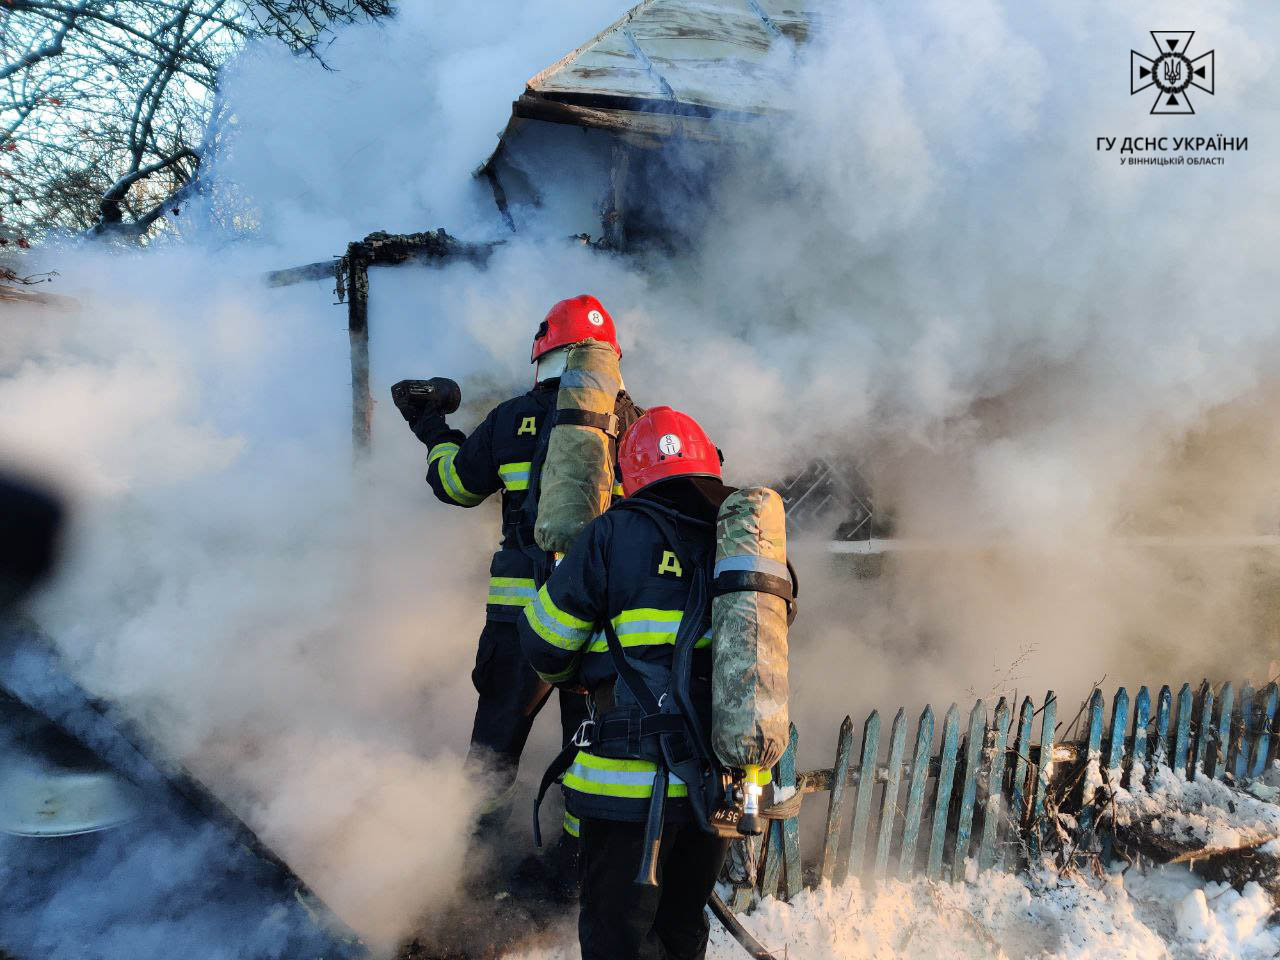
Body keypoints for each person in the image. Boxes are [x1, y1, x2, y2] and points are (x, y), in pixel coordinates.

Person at [392, 295, 642, 846]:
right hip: (598, 627)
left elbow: (454, 486)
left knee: (494, 751)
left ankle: (475, 870)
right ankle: (577, 866)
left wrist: (431, 427)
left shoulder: (511, 419)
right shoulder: (635, 424)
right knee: (592, 749)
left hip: (521, 622)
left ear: (544, 353)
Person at [517, 406, 735, 960]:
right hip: (715, 785)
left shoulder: (610, 533)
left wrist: (577, 672)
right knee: (682, 930)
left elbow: (544, 642)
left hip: (626, 791)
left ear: (630, 475)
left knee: (619, 941)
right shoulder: (738, 539)